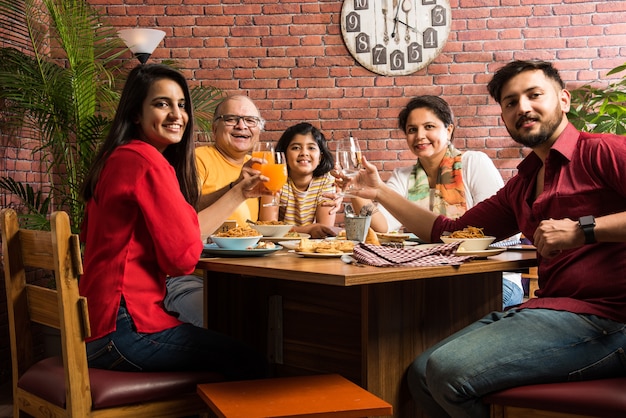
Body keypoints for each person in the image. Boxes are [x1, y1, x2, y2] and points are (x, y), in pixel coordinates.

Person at [340, 60, 626, 418]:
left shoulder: (603, 151)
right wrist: (379, 191)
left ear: (564, 100)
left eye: (534, 95)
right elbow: (449, 234)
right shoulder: (521, 185)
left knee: (447, 372)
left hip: (610, 320)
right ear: (504, 117)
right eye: (510, 102)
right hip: (548, 311)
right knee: (420, 375)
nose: (522, 107)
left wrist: (584, 228)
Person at [79, 63, 267, 379]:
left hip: (97, 325)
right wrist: (237, 195)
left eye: (181, 105)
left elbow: (179, 230)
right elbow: (181, 260)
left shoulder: (118, 157)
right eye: (162, 103)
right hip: (125, 328)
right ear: (135, 114)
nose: (176, 115)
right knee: (252, 360)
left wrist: (237, 192)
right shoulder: (147, 162)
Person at [348, 95, 524, 308]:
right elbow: (382, 226)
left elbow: (496, 231)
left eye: (429, 126)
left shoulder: (474, 163)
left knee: (426, 309)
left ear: (449, 130)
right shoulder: (403, 176)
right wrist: (356, 192)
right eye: (412, 130)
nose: (420, 136)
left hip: (491, 278)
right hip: (429, 278)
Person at [195, 95, 266, 226]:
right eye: (231, 119)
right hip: (206, 245)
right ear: (214, 129)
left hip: (250, 245)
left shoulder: (257, 165)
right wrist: (235, 188)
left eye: (250, 120)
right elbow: (184, 209)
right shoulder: (197, 158)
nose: (241, 126)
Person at [261, 122, 340, 238]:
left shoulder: (327, 181)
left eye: (311, 148)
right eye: (296, 148)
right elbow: (268, 229)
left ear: (320, 158)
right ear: (285, 155)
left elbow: (324, 230)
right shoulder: (274, 177)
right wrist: (308, 230)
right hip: (276, 246)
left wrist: (298, 231)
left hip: (310, 247)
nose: (304, 153)